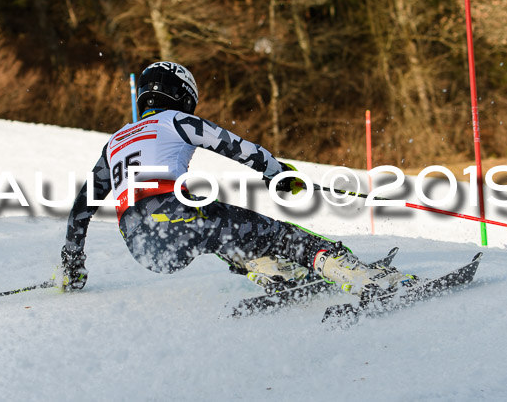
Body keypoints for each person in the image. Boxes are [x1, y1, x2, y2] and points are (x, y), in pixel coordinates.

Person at [61, 61, 414, 297]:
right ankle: (360, 277)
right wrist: (277, 173)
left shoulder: (115, 141)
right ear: (183, 96)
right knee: (274, 232)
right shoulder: (174, 120)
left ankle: (272, 272)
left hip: (141, 245)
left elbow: (81, 209)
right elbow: (234, 146)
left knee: (217, 228)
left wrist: (72, 261)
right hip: (172, 215)